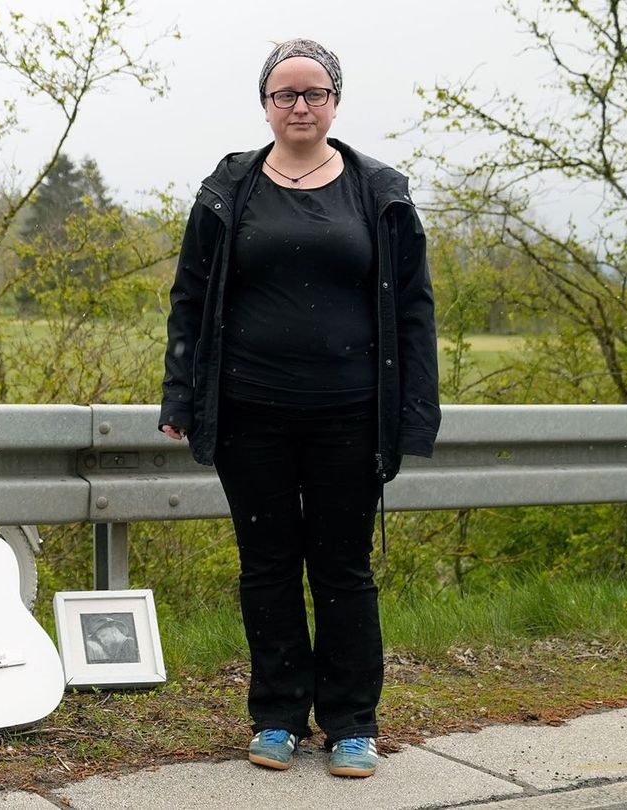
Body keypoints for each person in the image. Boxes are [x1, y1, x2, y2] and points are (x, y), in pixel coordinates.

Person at [157, 38, 440, 778]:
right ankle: (277, 716)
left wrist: (414, 413)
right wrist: (180, 394)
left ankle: (352, 724)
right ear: (266, 104)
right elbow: (189, 301)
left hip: (351, 414)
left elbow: (413, 309)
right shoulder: (229, 190)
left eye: (314, 93)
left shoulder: (379, 192)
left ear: (335, 102)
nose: (301, 106)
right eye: (285, 94)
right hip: (249, 414)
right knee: (268, 565)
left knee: (344, 568)